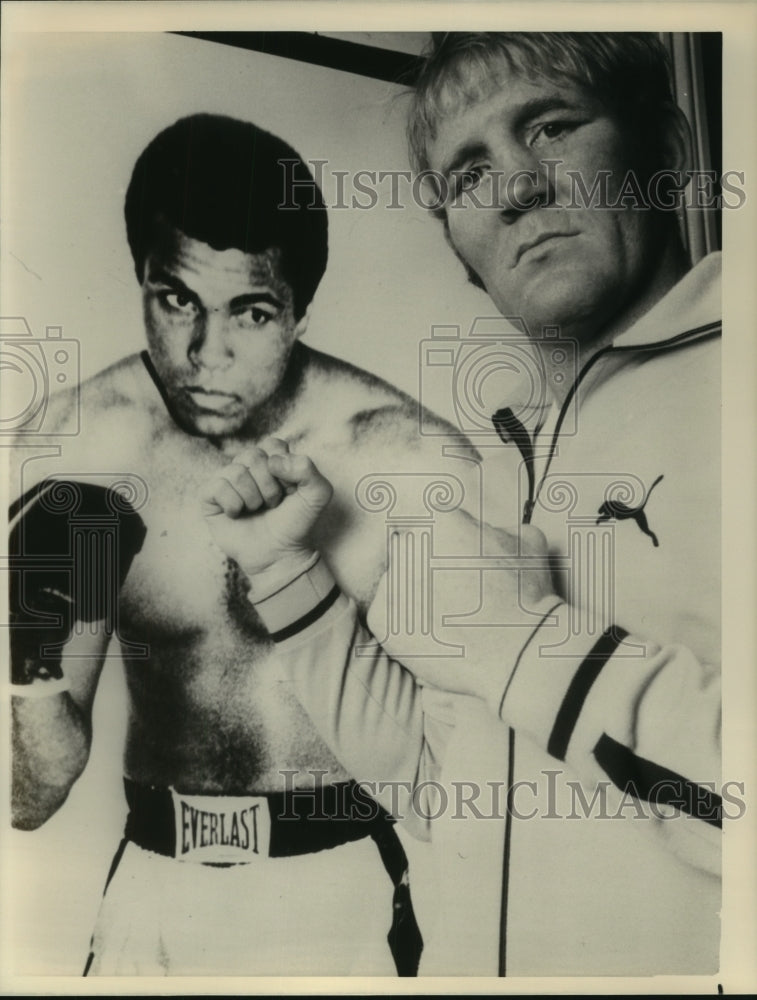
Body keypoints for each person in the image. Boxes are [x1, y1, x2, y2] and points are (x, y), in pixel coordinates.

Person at [201, 33, 723, 977]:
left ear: (669, 153)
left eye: (552, 127)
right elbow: (444, 792)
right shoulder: (497, 458)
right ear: (460, 251)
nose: (516, 187)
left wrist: (514, 642)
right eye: (468, 173)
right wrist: (286, 573)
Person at [8, 112, 485, 977]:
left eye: (251, 312)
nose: (203, 352)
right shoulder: (86, 451)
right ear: (141, 280)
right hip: (153, 886)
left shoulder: (399, 455)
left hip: (340, 891)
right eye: (176, 298)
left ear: (301, 311)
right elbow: (29, 799)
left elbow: (469, 789)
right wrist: (29, 664)